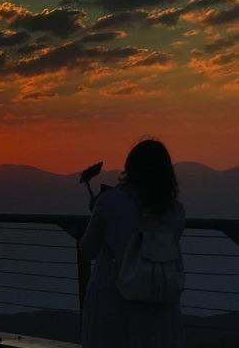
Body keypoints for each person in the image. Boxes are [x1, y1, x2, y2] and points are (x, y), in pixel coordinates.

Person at [80, 139, 186, 348]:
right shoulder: (176, 212)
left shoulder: (109, 201)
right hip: (160, 306)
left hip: (113, 303)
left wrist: (98, 215)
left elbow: (87, 250)